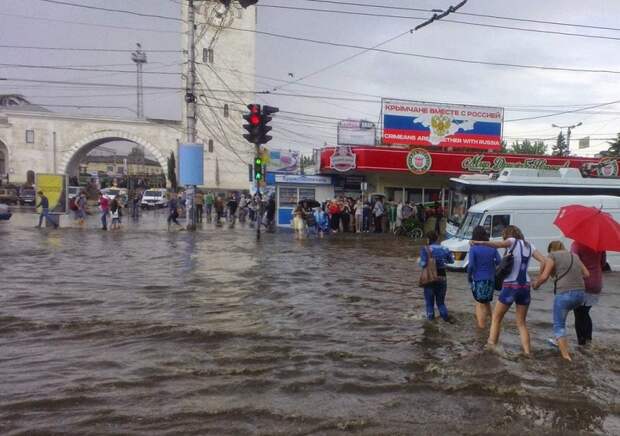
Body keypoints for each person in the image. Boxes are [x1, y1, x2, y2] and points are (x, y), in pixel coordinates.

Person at [471, 225, 546, 356]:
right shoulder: (529, 246)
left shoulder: (512, 241)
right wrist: (538, 279)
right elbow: (544, 261)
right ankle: (528, 353)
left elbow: (497, 244)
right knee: (521, 323)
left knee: (496, 318)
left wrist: (478, 242)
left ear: (509, 234)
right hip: (525, 287)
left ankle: (491, 346)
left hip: (511, 286)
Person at [532, 241, 589, 361]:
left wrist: (535, 284)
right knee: (566, 319)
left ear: (551, 249)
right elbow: (586, 274)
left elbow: (544, 276)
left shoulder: (553, 256)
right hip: (580, 294)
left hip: (564, 294)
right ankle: (560, 342)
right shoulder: (575, 256)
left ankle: (566, 357)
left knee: (559, 326)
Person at [467, 226, 501, 329]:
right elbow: (499, 261)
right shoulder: (492, 247)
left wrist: (469, 276)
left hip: (478, 279)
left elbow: (471, 265)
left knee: (479, 303)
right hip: (491, 279)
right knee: (486, 302)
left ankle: (481, 329)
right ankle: (494, 323)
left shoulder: (473, 249)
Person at [571, 241, 604, 346]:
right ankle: (588, 340)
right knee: (585, 312)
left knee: (579, 314)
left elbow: (573, 263)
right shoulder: (600, 246)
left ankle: (581, 343)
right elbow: (602, 263)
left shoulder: (576, 244)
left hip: (582, 283)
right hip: (596, 283)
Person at [419, 230, 455, 321]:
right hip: (442, 277)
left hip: (429, 278)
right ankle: (447, 320)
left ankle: (431, 325)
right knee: (441, 303)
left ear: (428, 239)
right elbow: (451, 261)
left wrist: (419, 261)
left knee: (429, 304)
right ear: (437, 238)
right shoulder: (444, 249)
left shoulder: (425, 249)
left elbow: (423, 264)